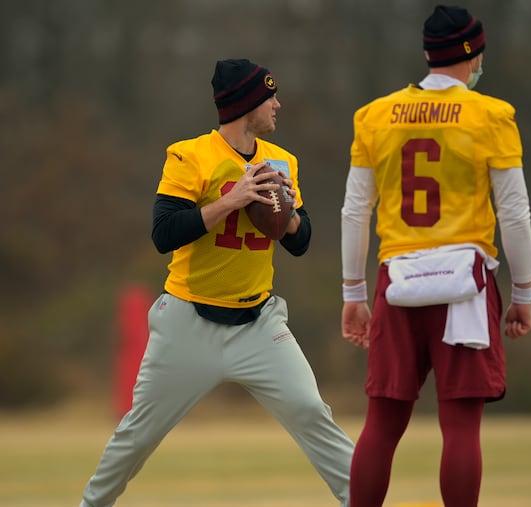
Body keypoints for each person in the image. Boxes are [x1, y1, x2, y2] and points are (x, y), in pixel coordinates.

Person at [79, 58, 354, 507]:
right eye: (271, 97)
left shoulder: (281, 162)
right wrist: (234, 201)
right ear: (248, 104)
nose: (278, 105)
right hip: (190, 320)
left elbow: (301, 241)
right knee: (137, 435)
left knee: (311, 412)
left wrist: (282, 219)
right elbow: (163, 233)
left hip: (259, 323)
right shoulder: (190, 155)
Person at [340, 5, 531, 507]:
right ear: (472, 54)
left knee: (382, 424)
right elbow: (514, 212)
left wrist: (352, 292)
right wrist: (525, 292)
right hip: (464, 282)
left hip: (397, 278)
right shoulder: (490, 115)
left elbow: (354, 211)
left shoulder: (375, 115)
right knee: (461, 425)